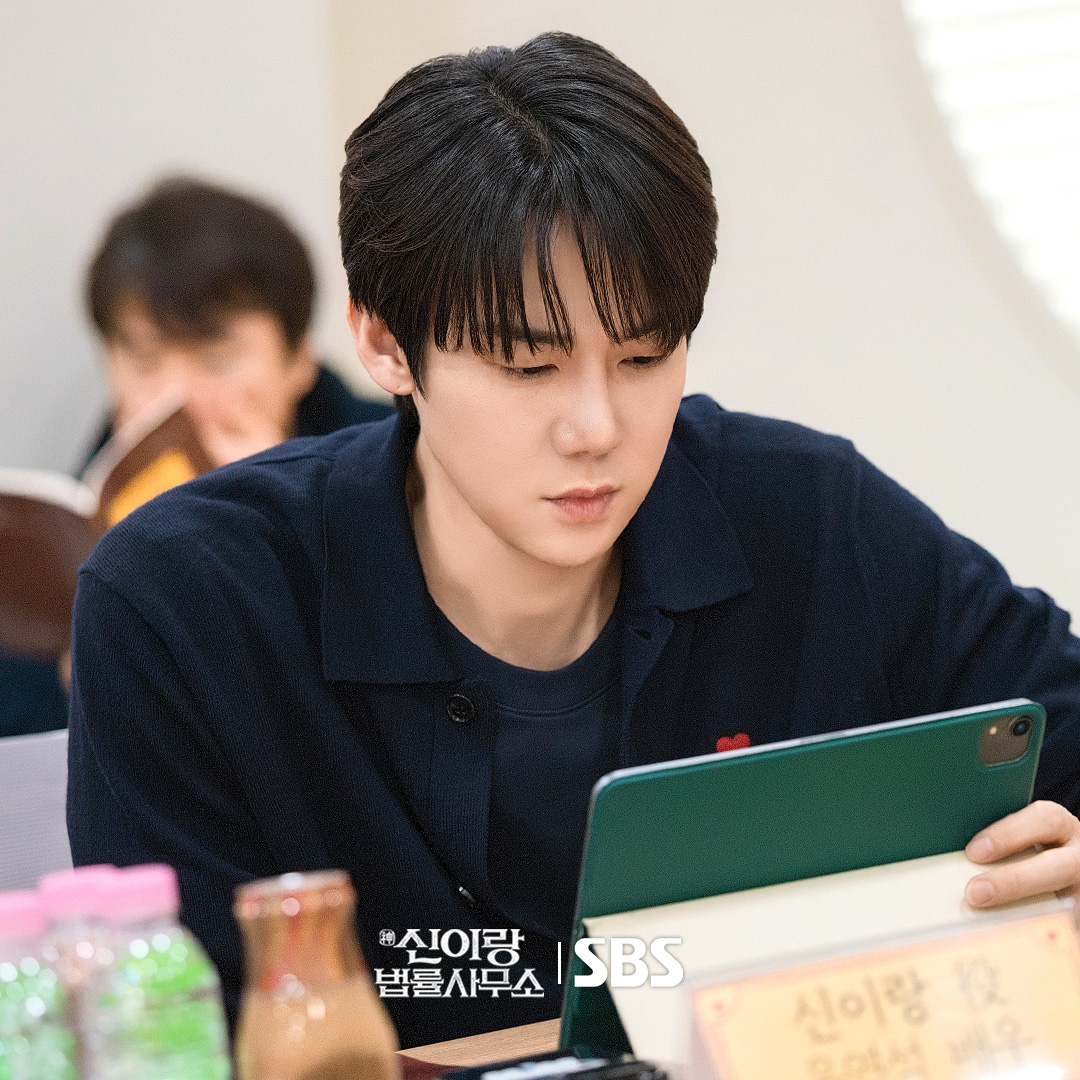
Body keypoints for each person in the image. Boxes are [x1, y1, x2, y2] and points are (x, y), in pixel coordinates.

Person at [67, 33, 1080, 1048]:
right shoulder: (188, 603)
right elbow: (172, 1039)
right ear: (383, 343)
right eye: (528, 367)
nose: (596, 428)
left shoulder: (811, 520)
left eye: (643, 356)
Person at [0, 179, 392, 739]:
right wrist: (83, 683)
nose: (178, 398)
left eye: (217, 360)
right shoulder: (74, 520)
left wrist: (286, 527)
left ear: (298, 360)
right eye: (143, 362)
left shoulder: (403, 464)